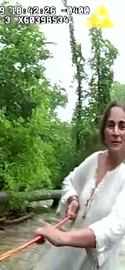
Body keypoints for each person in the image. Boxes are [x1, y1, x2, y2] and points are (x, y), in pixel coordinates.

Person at [32, 102, 125, 270]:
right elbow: (70, 181)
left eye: (122, 126)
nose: (116, 132)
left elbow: (114, 227)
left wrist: (63, 238)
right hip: (65, 260)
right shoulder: (94, 160)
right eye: (110, 125)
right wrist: (72, 198)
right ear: (104, 130)